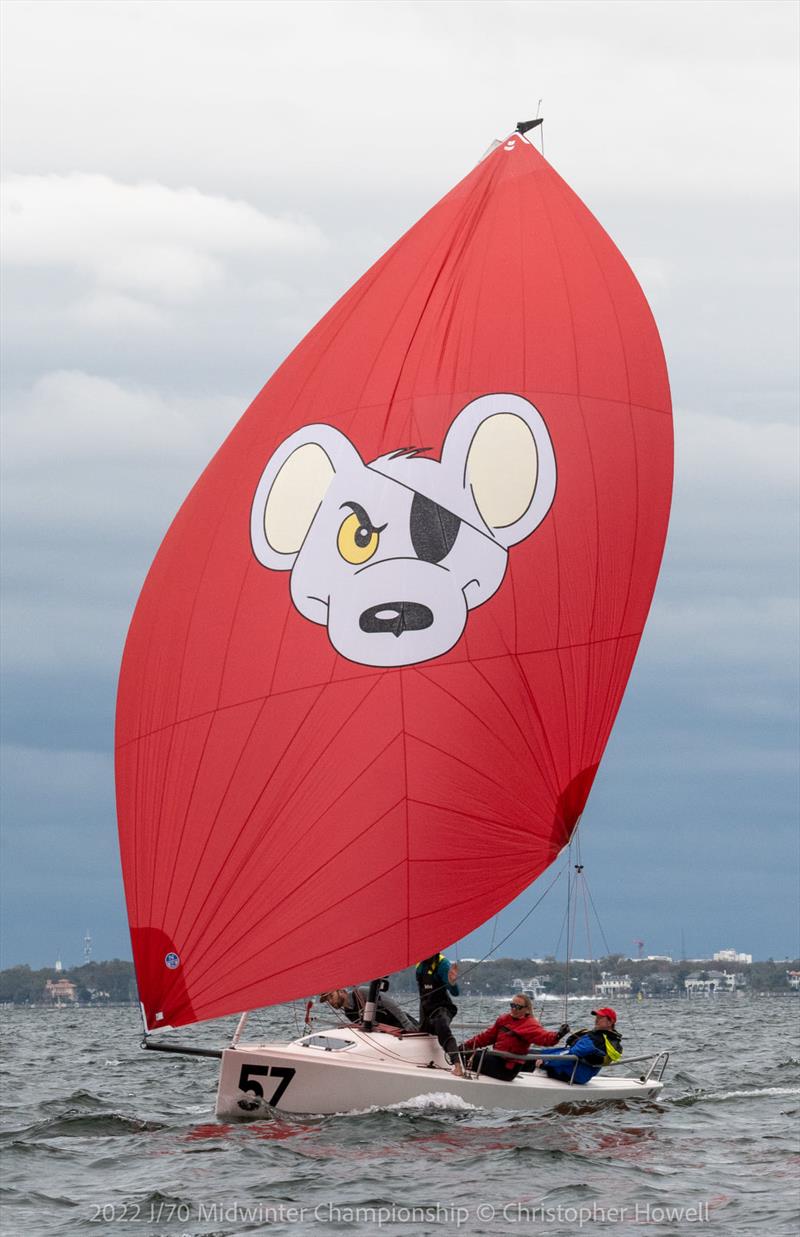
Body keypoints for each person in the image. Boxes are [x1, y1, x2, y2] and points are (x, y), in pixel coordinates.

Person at [460, 994, 569, 1080]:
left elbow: (544, 1037)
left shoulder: (530, 1024)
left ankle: (459, 1069)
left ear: (526, 1009)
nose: (514, 1009)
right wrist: (466, 1045)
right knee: (464, 1051)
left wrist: (558, 1035)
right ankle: (458, 1064)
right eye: (512, 1005)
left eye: (518, 1007)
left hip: (507, 1068)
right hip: (497, 1058)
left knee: (467, 1056)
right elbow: (486, 1037)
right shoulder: (503, 1019)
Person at [531, 1007, 623, 1084]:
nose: (596, 1020)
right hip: (582, 1075)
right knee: (533, 1054)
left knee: (527, 1057)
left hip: (570, 1072)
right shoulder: (611, 1040)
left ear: (610, 1022)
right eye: (596, 1017)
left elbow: (571, 1055)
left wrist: (546, 1062)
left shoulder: (596, 1039)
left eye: (600, 1018)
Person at [416, 952, 462, 1074]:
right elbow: (422, 996)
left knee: (441, 1025)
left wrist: (452, 982)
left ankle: (457, 1065)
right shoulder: (419, 965)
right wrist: (422, 1023)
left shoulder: (443, 964)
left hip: (443, 1008)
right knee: (419, 1030)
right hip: (427, 1010)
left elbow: (455, 992)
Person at [319, 985, 417, 1031]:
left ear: (341, 991)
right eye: (328, 1000)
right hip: (392, 1034)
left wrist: (406, 1022)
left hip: (405, 1025)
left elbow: (390, 1003)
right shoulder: (348, 1013)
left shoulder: (362, 993)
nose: (331, 1001)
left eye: (331, 996)